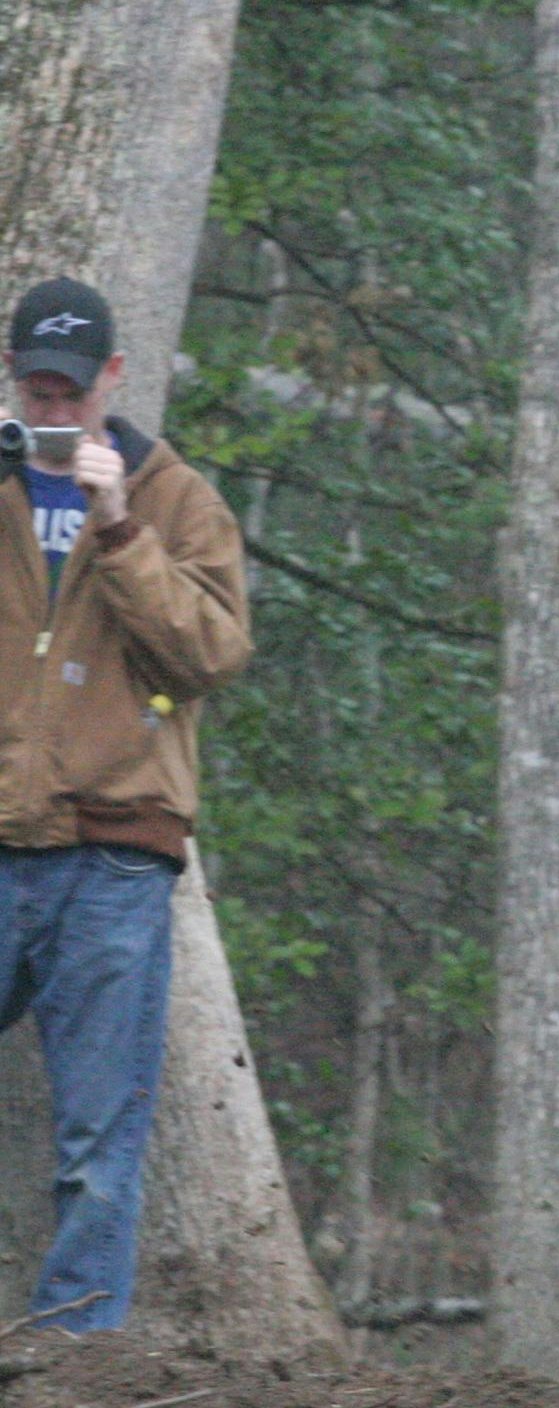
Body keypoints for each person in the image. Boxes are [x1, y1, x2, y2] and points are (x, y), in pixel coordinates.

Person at [0, 277, 252, 1332]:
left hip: (115, 856)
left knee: (101, 1138)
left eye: (72, 389)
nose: (55, 409)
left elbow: (211, 654)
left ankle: (75, 1357)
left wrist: (118, 528)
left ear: (112, 376)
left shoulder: (174, 496)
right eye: (37, 389)